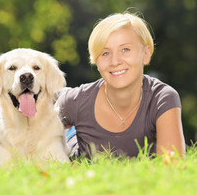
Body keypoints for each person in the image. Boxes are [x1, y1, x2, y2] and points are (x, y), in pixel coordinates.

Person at [57, 12, 185, 159]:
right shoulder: (75, 101)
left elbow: (172, 165)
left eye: (125, 49)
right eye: (105, 53)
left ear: (146, 53)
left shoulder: (162, 98)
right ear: (95, 60)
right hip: (71, 136)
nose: (115, 61)